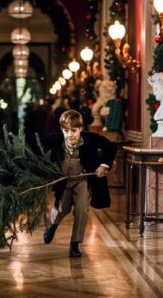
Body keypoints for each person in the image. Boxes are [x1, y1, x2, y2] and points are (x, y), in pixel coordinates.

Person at [43, 110, 117, 258]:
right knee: (62, 208)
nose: (69, 134)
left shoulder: (91, 139)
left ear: (81, 129)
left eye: (74, 131)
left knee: (81, 210)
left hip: (82, 180)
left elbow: (111, 147)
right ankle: (53, 226)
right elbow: (37, 150)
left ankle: (74, 244)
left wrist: (104, 165)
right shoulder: (55, 139)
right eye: (66, 131)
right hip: (64, 181)